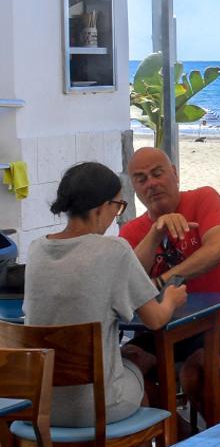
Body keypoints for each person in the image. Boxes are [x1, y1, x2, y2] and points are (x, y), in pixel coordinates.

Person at [25, 162, 188, 427]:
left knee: (128, 360)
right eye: (117, 206)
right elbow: (155, 320)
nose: (116, 215)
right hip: (97, 406)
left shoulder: (36, 250)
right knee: (142, 367)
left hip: (38, 406)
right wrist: (171, 299)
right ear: (101, 206)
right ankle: (167, 435)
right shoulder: (114, 250)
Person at [119, 148, 220, 418]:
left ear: (174, 174)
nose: (151, 183)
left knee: (196, 368)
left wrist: (165, 278)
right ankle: (174, 433)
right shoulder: (132, 232)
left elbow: (217, 251)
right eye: (141, 179)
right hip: (171, 328)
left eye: (157, 173)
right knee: (128, 363)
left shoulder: (203, 199)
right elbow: (127, 284)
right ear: (135, 188)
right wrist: (155, 233)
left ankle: (216, 437)